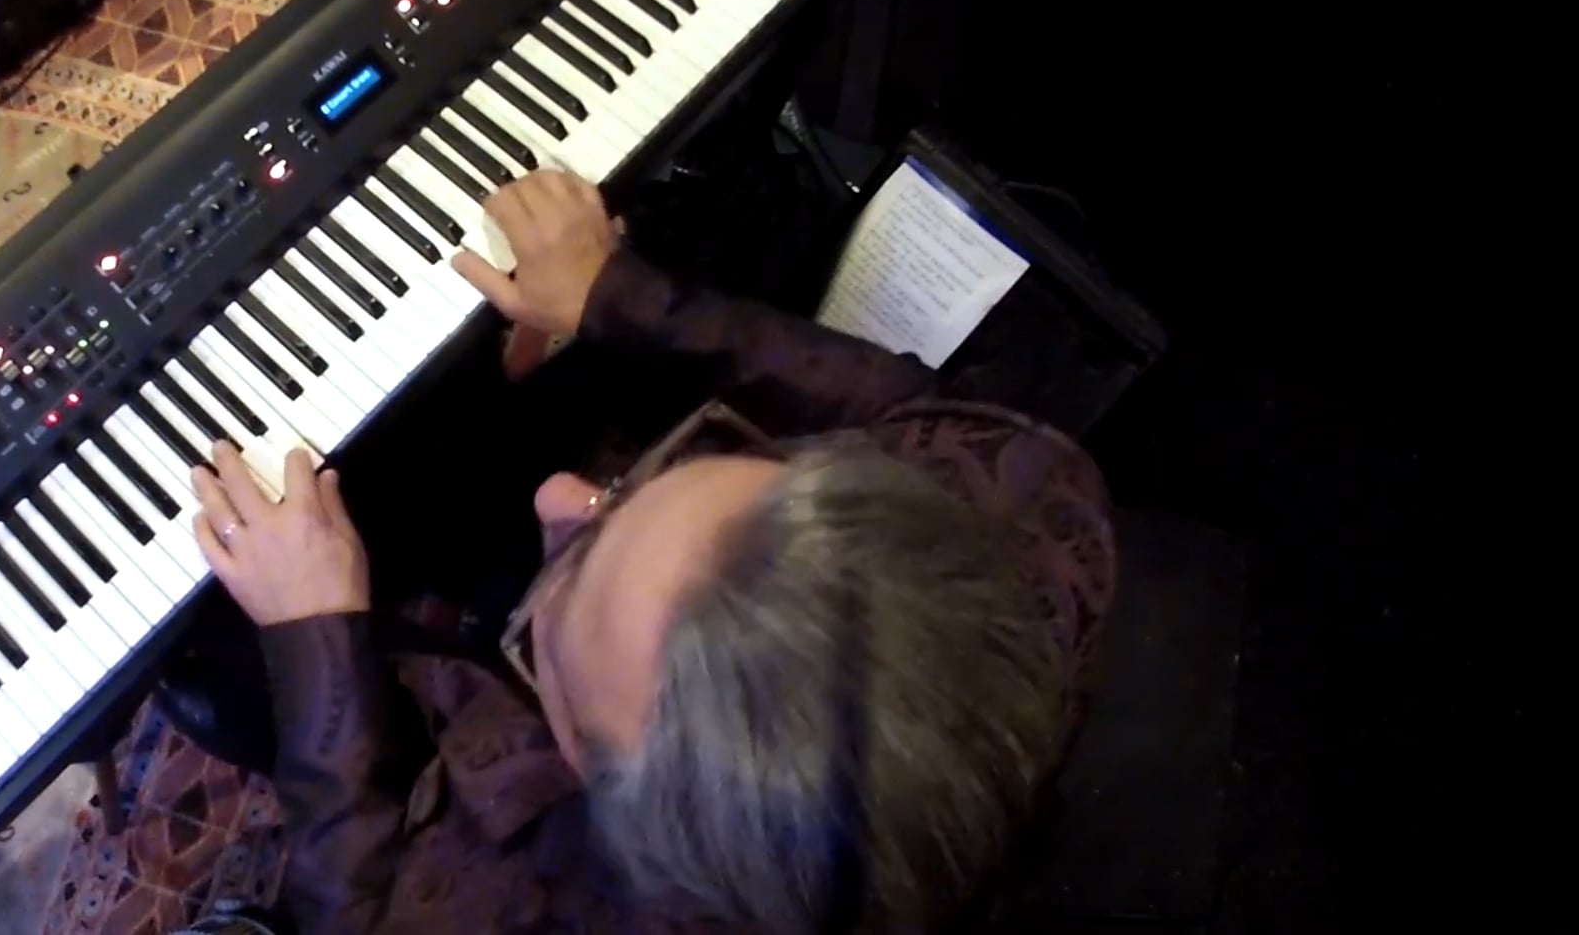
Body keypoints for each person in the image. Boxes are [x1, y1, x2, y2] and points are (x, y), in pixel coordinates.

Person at [184, 169, 1113, 933]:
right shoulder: (1039, 511)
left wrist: (314, 632)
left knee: (207, 668)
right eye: (651, 481)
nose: (559, 494)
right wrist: (614, 294)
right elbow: (915, 416)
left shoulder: (530, 901)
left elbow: (357, 911)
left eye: (567, 585)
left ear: (580, 768)